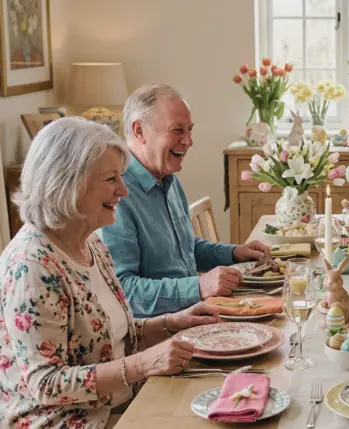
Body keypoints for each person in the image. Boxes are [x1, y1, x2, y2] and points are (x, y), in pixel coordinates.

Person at [0, 117, 220, 428]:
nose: (124, 190)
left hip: (123, 401)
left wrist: (170, 323)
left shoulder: (91, 244)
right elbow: (46, 383)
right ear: (67, 182)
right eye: (110, 179)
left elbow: (112, 335)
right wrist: (143, 363)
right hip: (69, 420)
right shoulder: (32, 266)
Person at [100, 83, 272, 318]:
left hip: (193, 315)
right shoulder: (116, 195)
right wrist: (199, 286)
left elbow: (185, 249)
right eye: (177, 130)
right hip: (157, 335)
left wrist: (234, 253)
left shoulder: (166, 178)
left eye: (190, 130)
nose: (189, 141)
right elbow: (122, 291)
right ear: (139, 131)